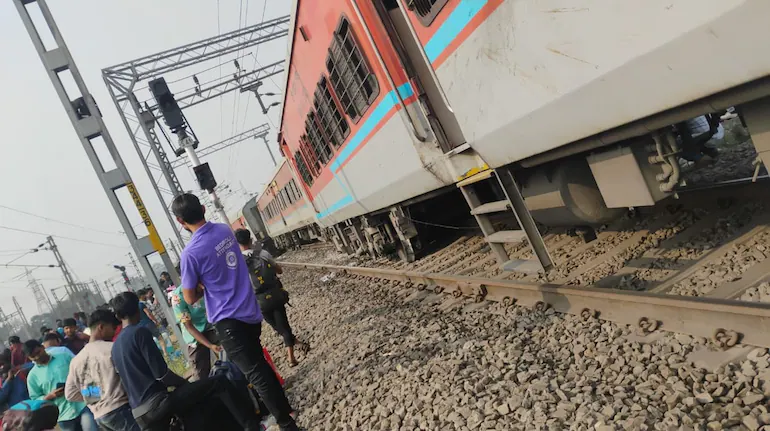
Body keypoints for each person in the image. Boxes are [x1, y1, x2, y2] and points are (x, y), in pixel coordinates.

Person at [173, 193, 299, 431]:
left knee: (256, 373)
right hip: (249, 311)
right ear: (203, 208)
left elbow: (188, 297)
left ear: (180, 221)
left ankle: (287, 423)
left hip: (228, 321)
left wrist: (202, 286)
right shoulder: (224, 231)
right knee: (259, 364)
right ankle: (286, 412)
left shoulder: (190, 253)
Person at [110, 292, 258, 431]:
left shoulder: (114, 347)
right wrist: (185, 384)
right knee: (219, 382)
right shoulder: (140, 333)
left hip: (139, 415)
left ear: (117, 316)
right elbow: (162, 375)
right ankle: (251, 426)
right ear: (138, 308)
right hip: (158, 403)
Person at [235, 229, 307, 367]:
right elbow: (279, 270)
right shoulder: (262, 253)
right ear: (251, 240)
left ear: (237, 244)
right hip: (275, 295)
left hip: (259, 302)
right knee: (284, 327)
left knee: (278, 327)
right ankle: (291, 358)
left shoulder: (238, 264)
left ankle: (296, 344)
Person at [65, 309, 140, 431]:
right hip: (121, 408)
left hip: (100, 416)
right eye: (113, 328)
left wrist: (97, 396)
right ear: (101, 327)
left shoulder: (76, 360)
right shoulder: (112, 348)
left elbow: (70, 393)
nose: (114, 332)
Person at [23, 339, 98, 431]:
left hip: (83, 403)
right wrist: (49, 396)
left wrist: (95, 395)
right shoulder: (32, 377)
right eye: (33, 356)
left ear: (43, 347)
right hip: (63, 414)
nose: (37, 357)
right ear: (29, 358)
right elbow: (35, 399)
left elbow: (84, 373)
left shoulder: (63, 356)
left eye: (38, 352)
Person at [170, 282, 221, 381]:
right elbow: (189, 327)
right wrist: (210, 345)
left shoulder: (207, 284)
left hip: (212, 326)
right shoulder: (178, 298)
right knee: (201, 376)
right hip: (195, 336)